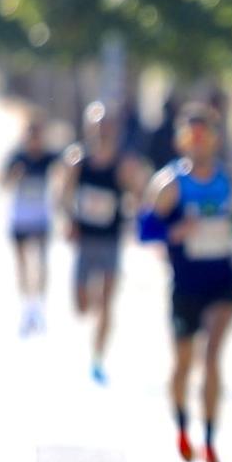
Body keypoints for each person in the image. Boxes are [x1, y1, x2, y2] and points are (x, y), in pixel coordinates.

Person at [146, 104, 232, 462]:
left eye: (205, 136)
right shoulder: (170, 184)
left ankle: (212, 440)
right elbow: (145, 229)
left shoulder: (229, 180)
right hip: (185, 283)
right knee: (184, 363)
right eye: (191, 136)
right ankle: (183, 428)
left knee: (213, 356)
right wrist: (173, 232)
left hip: (221, 279)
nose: (198, 143)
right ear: (181, 141)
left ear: (215, 139)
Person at [55, 102, 143, 385]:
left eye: (107, 127)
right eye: (98, 126)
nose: (103, 132)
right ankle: (90, 307)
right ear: (89, 128)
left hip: (110, 240)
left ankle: (97, 357)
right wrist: (69, 220)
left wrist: (133, 204)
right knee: (81, 306)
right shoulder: (77, 161)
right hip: (85, 240)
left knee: (107, 301)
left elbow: (138, 197)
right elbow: (62, 196)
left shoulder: (123, 164)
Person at [4, 115, 58, 334]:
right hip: (19, 218)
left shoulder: (48, 158)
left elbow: (66, 169)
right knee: (23, 264)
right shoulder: (17, 157)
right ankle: (27, 307)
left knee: (42, 263)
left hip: (41, 218)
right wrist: (13, 177)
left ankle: (40, 307)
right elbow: (0, 182)